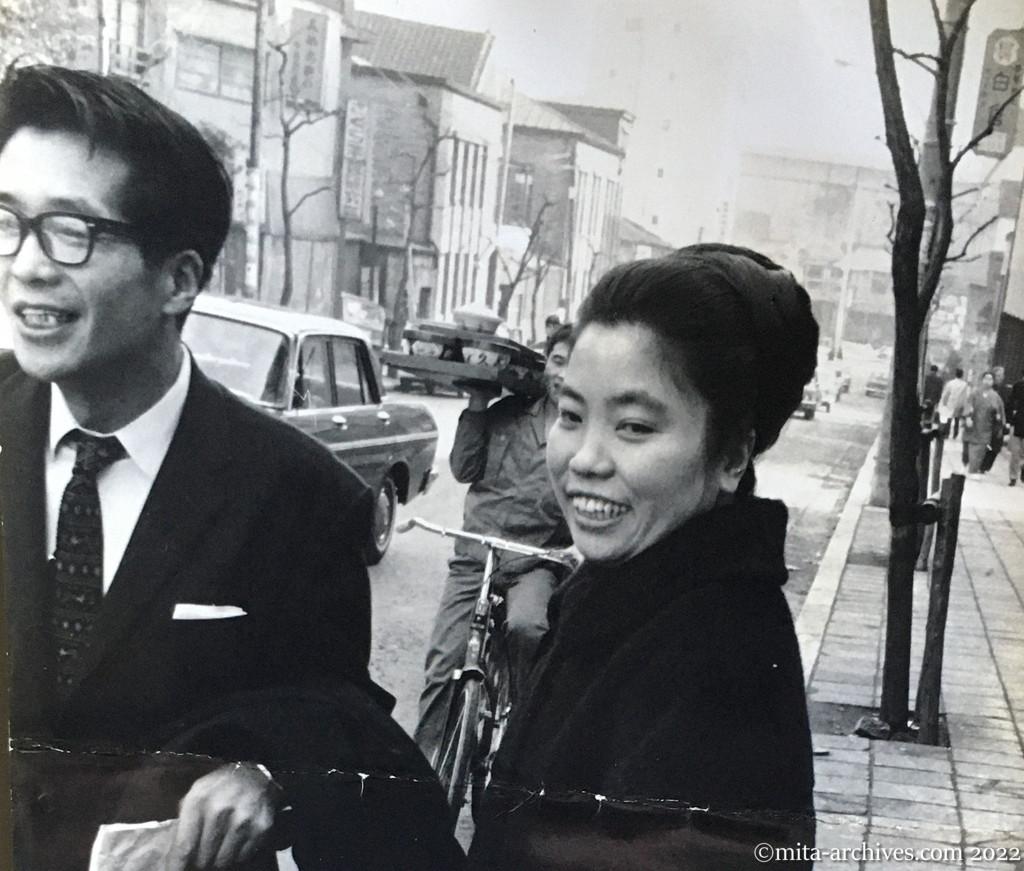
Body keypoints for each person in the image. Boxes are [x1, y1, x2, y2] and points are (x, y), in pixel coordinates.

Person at [0, 65, 460, 871]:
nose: (28, 265)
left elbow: (336, 715)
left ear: (179, 280)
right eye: (9, 221)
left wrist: (265, 774)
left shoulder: (300, 494)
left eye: (71, 232)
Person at [469, 245, 817, 870]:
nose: (585, 459)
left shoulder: (718, 661)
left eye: (633, 426)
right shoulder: (619, 589)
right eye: (571, 414)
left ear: (732, 455)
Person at [415, 325, 573, 760]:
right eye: (558, 361)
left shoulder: (584, 435)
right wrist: (477, 405)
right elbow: (464, 470)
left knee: (528, 629)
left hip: (534, 562)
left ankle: (520, 741)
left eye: (575, 364)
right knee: (443, 663)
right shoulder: (504, 414)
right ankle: (420, 770)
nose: (563, 373)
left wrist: (575, 548)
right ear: (545, 364)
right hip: (476, 556)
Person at [963, 371, 1005, 477]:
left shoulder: (996, 397)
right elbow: (968, 405)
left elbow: (1000, 412)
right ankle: (970, 467)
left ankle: (974, 469)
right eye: (986, 378)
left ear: (993, 382)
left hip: (987, 427)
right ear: (982, 380)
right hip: (973, 425)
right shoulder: (975, 393)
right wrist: (968, 417)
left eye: (990, 379)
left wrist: (1000, 424)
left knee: (981, 449)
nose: (987, 381)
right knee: (971, 447)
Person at [938, 367, 969, 439]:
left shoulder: (950, 383)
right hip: (959, 404)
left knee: (949, 418)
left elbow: (946, 393)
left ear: (955, 374)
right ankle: (955, 433)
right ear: (962, 375)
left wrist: (944, 402)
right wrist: (964, 405)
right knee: (957, 419)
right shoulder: (964, 384)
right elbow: (965, 396)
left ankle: (947, 433)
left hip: (950, 402)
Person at [1008, 373, 1024, 487]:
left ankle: (1014, 475)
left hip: (1017, 421)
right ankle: (1013, 476)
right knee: (1016, 452)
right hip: (1017, 421)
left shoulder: (1017, 385)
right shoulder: (1018, 386)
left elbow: (1010, 403)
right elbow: (1011, 403)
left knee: (1016, 452)